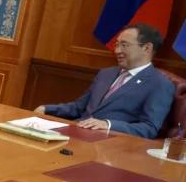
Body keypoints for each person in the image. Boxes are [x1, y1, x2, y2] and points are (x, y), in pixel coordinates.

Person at [35, 23, 174, 139]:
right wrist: (47, 109)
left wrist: (108, 125)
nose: (117, 50)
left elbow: (148, 129)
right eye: (117, 44)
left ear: (146, 48)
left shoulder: (160, 84)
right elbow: (79, 107)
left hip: (109, 144)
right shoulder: (106, 73)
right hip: (75, 132)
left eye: (124, 45)